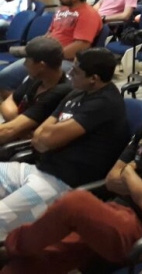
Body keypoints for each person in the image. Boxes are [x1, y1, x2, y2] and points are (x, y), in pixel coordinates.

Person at [0, 57, 142, 274]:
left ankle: (11, 247)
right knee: (24, 265)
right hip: (115, 213)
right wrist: (137, 180)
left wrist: (128, 172)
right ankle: (13, 255)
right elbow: (111, 179)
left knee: (76, 202)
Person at [0, 47, 128, 240]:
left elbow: (47, 138)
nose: (69, 74)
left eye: (76, 71)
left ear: (93, 78)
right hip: (39, 169)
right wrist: (47, 138)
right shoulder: (76, 93)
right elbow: (39, 137)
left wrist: (48, 138)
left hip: (62, 184)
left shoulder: (106, 103)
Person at [0, 0, 102, 95]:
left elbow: (81, 45)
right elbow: (49, 34)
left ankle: (30, 106)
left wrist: (51, 56)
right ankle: (20, 106)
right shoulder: (62, 10)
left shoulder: (88, 15)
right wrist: (38, 48)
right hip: (45, 56)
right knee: (4, 78)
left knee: (30, 78)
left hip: (63, 60)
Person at [0, 38, 72, 145]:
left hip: (29, 147)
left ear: (41, 66)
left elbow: (8, 130)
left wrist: (16, 127)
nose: (24, 64)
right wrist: (20, 126)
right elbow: (8, 102)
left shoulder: (61, 90)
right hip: (18, 135)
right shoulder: (37, 78)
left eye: (27, 60)